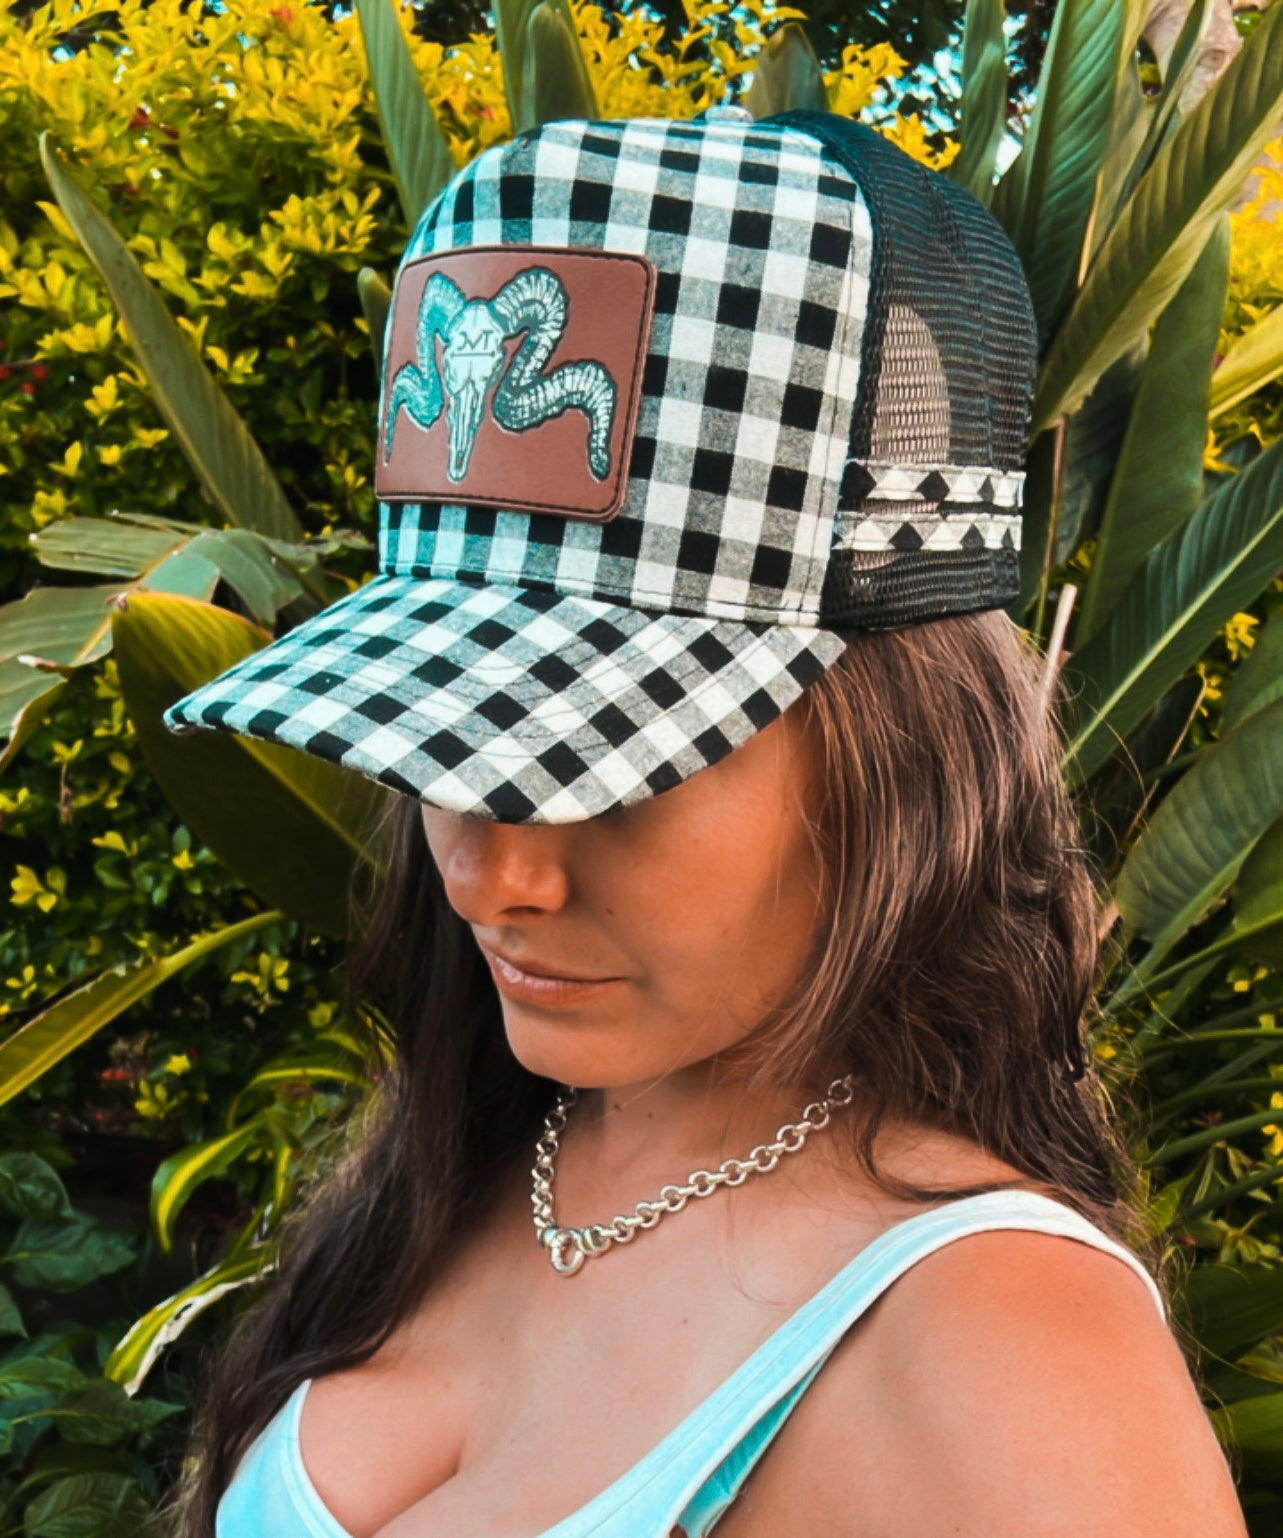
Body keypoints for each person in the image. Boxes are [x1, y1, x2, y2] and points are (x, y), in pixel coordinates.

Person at [161, 104, 1248, 1537]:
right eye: (444, 738)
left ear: (906, 763)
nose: (492, 871)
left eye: (612, 763)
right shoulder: (476, 1159)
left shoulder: (1015, 1371)